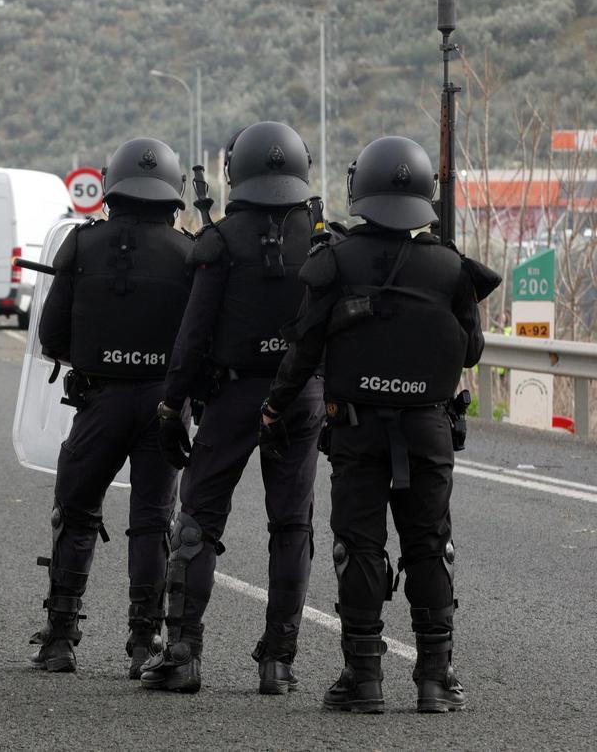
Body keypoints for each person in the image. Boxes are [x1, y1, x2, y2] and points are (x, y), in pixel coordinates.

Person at [262, 136, 498, 714]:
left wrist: (274, 405)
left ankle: (362, 679)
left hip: (357, 430)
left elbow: (303, 348)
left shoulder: (334, 260)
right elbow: (470, 351)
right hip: (429, 430)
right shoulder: (450, 267)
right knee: (429, 546)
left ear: (359, 190)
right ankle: (435, 680)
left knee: (359, 548)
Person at [140, 122, 325, 694]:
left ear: (234, 172)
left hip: (232, 394)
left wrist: (172, 407)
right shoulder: (324, 242)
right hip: (301, 397)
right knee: (292, 526)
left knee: (197, 522)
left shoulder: (219, 242)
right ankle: (279, 663)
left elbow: (192, 338)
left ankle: (183, 653)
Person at [27, 138, 194, 677]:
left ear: (112, 187)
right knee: (152, 520)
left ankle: (60, 638)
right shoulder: (189, 253)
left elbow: (51, 335)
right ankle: (144, 644)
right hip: (165, 403)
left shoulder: (82, 245)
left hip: (98, 399)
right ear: (172, 193)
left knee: (75, 513)